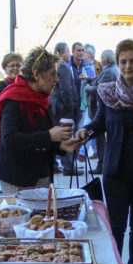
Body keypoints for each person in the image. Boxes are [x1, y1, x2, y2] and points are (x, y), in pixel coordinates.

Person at [75, 39, 133, 264]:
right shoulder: (106, 91)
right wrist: (87, 131)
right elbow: (100, 122)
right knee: (116, 227)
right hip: (116, 171)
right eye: (123, 61)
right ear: (117, 63)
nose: (128, 66)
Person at [0, 47, 78, 195]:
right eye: (52, 74)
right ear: (37, 74)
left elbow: (40, 135)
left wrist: (62, 146)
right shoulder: (14, 98)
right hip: (17, 176)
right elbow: (9, 140)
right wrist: (49, 136)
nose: (57, 79)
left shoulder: (41, 98)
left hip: (41, 174)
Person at [85, 49, 121, 174]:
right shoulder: (112, 69)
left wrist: (88, 88)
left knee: (100, 140)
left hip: (102, 109)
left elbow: (100, 88)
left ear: (104, 59)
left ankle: (101, 165)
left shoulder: (109, 71)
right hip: (103, 110)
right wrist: (89, 79)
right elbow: (98, 81)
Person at [50, 42, 82, 177]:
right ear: (62, 53)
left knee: (58, 135)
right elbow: (66, 90)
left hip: (57, 107)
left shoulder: (56, 66)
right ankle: (68, 166)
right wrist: (70, 107)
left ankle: (55, 165)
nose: (70, 54)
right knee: (66, 134)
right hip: (64, 108)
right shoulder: (62, 67)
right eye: (69, 51)